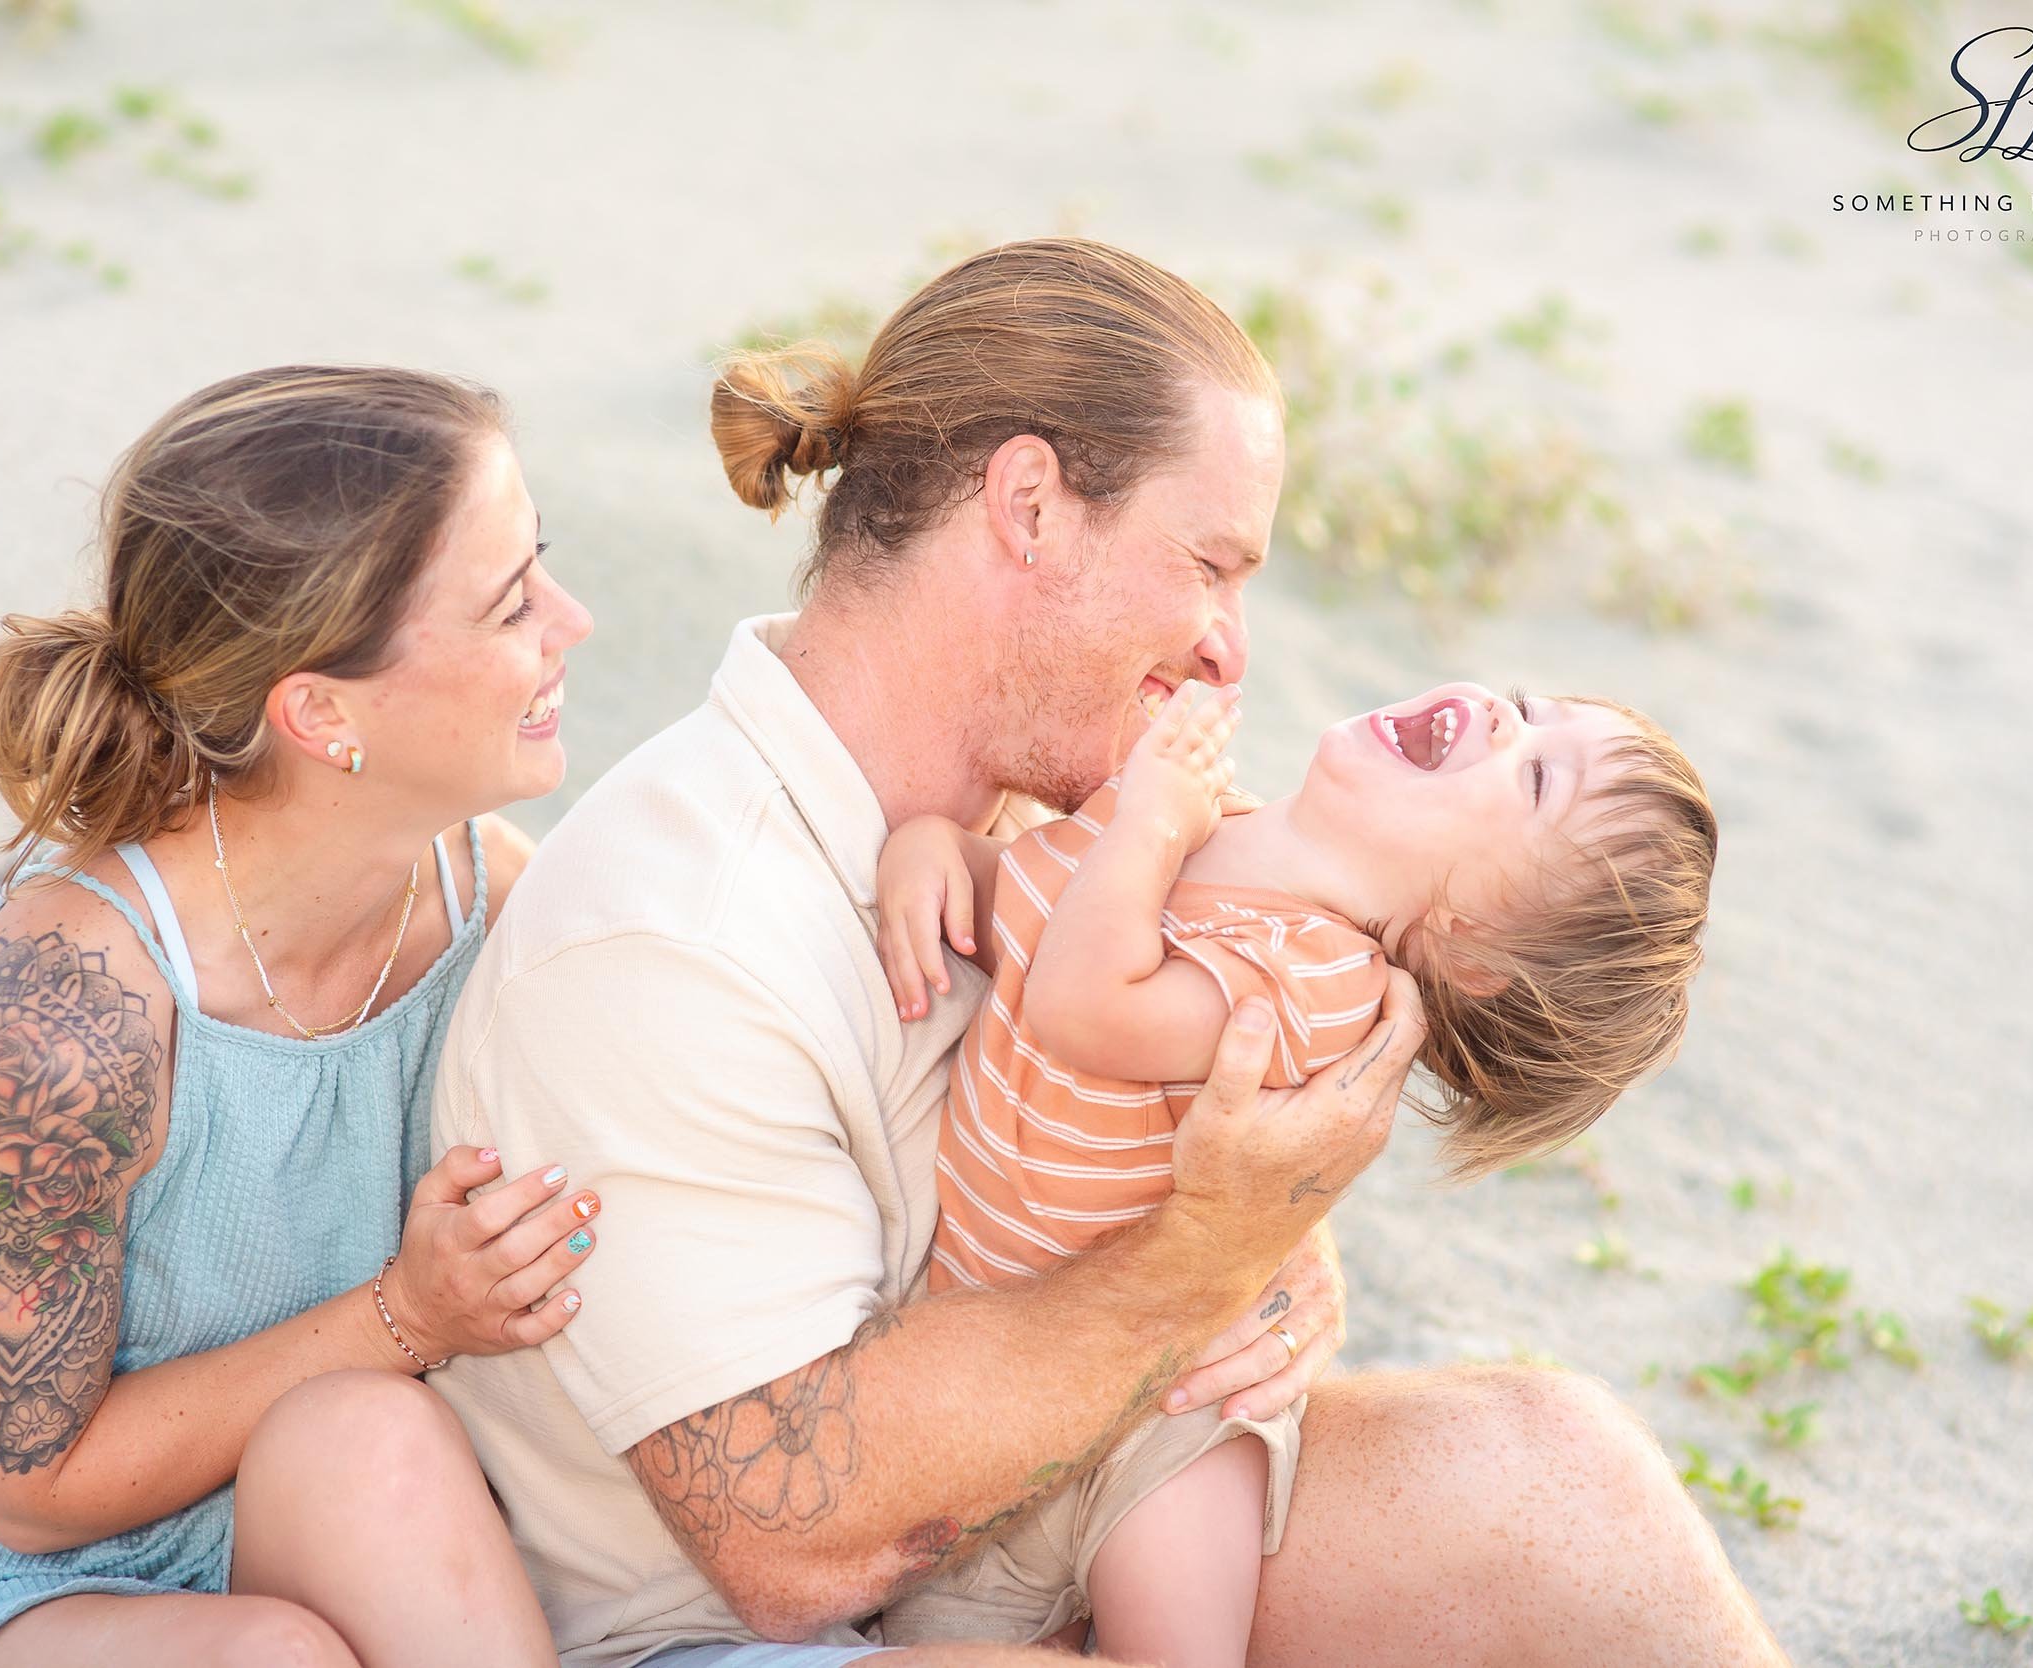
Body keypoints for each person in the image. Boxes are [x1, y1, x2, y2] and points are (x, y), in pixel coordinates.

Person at [430, 238, 1791, 1668]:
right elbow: (787, 1541)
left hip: (1045, 1501)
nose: (1229, 655)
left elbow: (1174, 1093)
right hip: (728, 1635)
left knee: (1561, 1481)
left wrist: (1268, 1232)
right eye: (1208, 566)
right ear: (1030, 508)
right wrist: (1208, 1254)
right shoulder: (678, 937)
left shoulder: (1072, 800)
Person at [0, 365, 602, 1668]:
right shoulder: (63, 1015)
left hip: (341, 1521)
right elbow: (26, 1480)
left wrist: (948, 862)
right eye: (514, 602)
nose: (571, 622)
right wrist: (408, 1314)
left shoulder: (483, 888)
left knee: (367, 1435)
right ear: (320, 714)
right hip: (33, 1596)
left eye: (544, 569)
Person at [867, 673, 1717, 1663]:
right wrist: (938, 854)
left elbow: (1082, 1006)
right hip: (996, 1369)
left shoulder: (1316, 982)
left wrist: (1147, 820)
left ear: (1469, 945)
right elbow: (1027, 900)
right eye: (1530, 708)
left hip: (1163, 1425)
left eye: (1534, 782)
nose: (1501, 718)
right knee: (925, 1633)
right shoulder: (1200, 810)